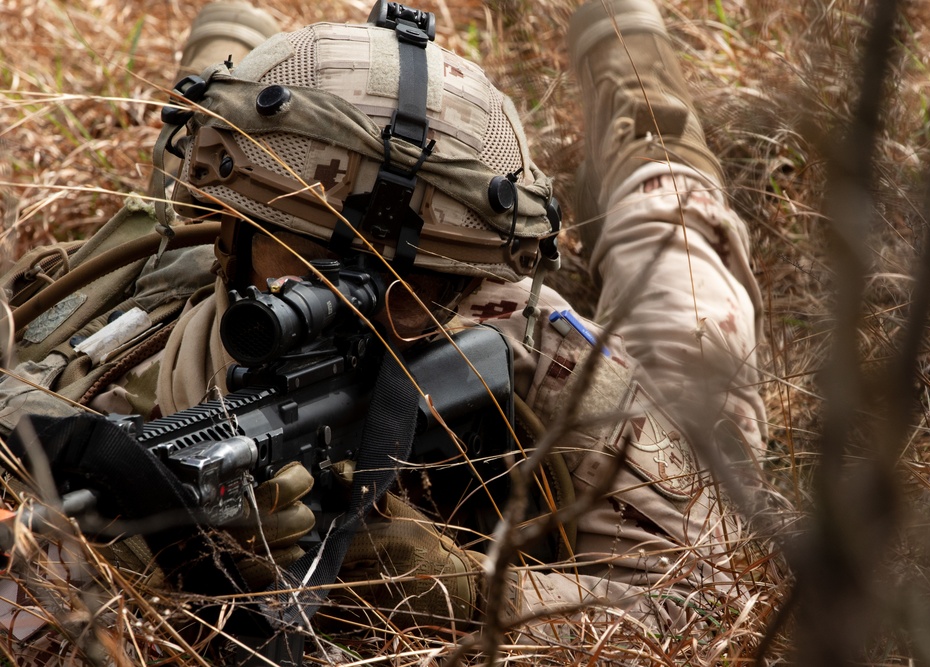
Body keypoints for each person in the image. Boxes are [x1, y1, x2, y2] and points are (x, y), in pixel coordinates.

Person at [0, 0, 781, 662]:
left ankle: (627, 47)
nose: (356, 307)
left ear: (474, 282)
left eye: (415, 289)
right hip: (223, 240)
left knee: (681, 275)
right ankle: (231, 23)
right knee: (199, 149)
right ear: (231, 240)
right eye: (306, 266)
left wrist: (468, 592)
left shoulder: (544, 352)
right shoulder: (177, 293)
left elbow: (706, 594)